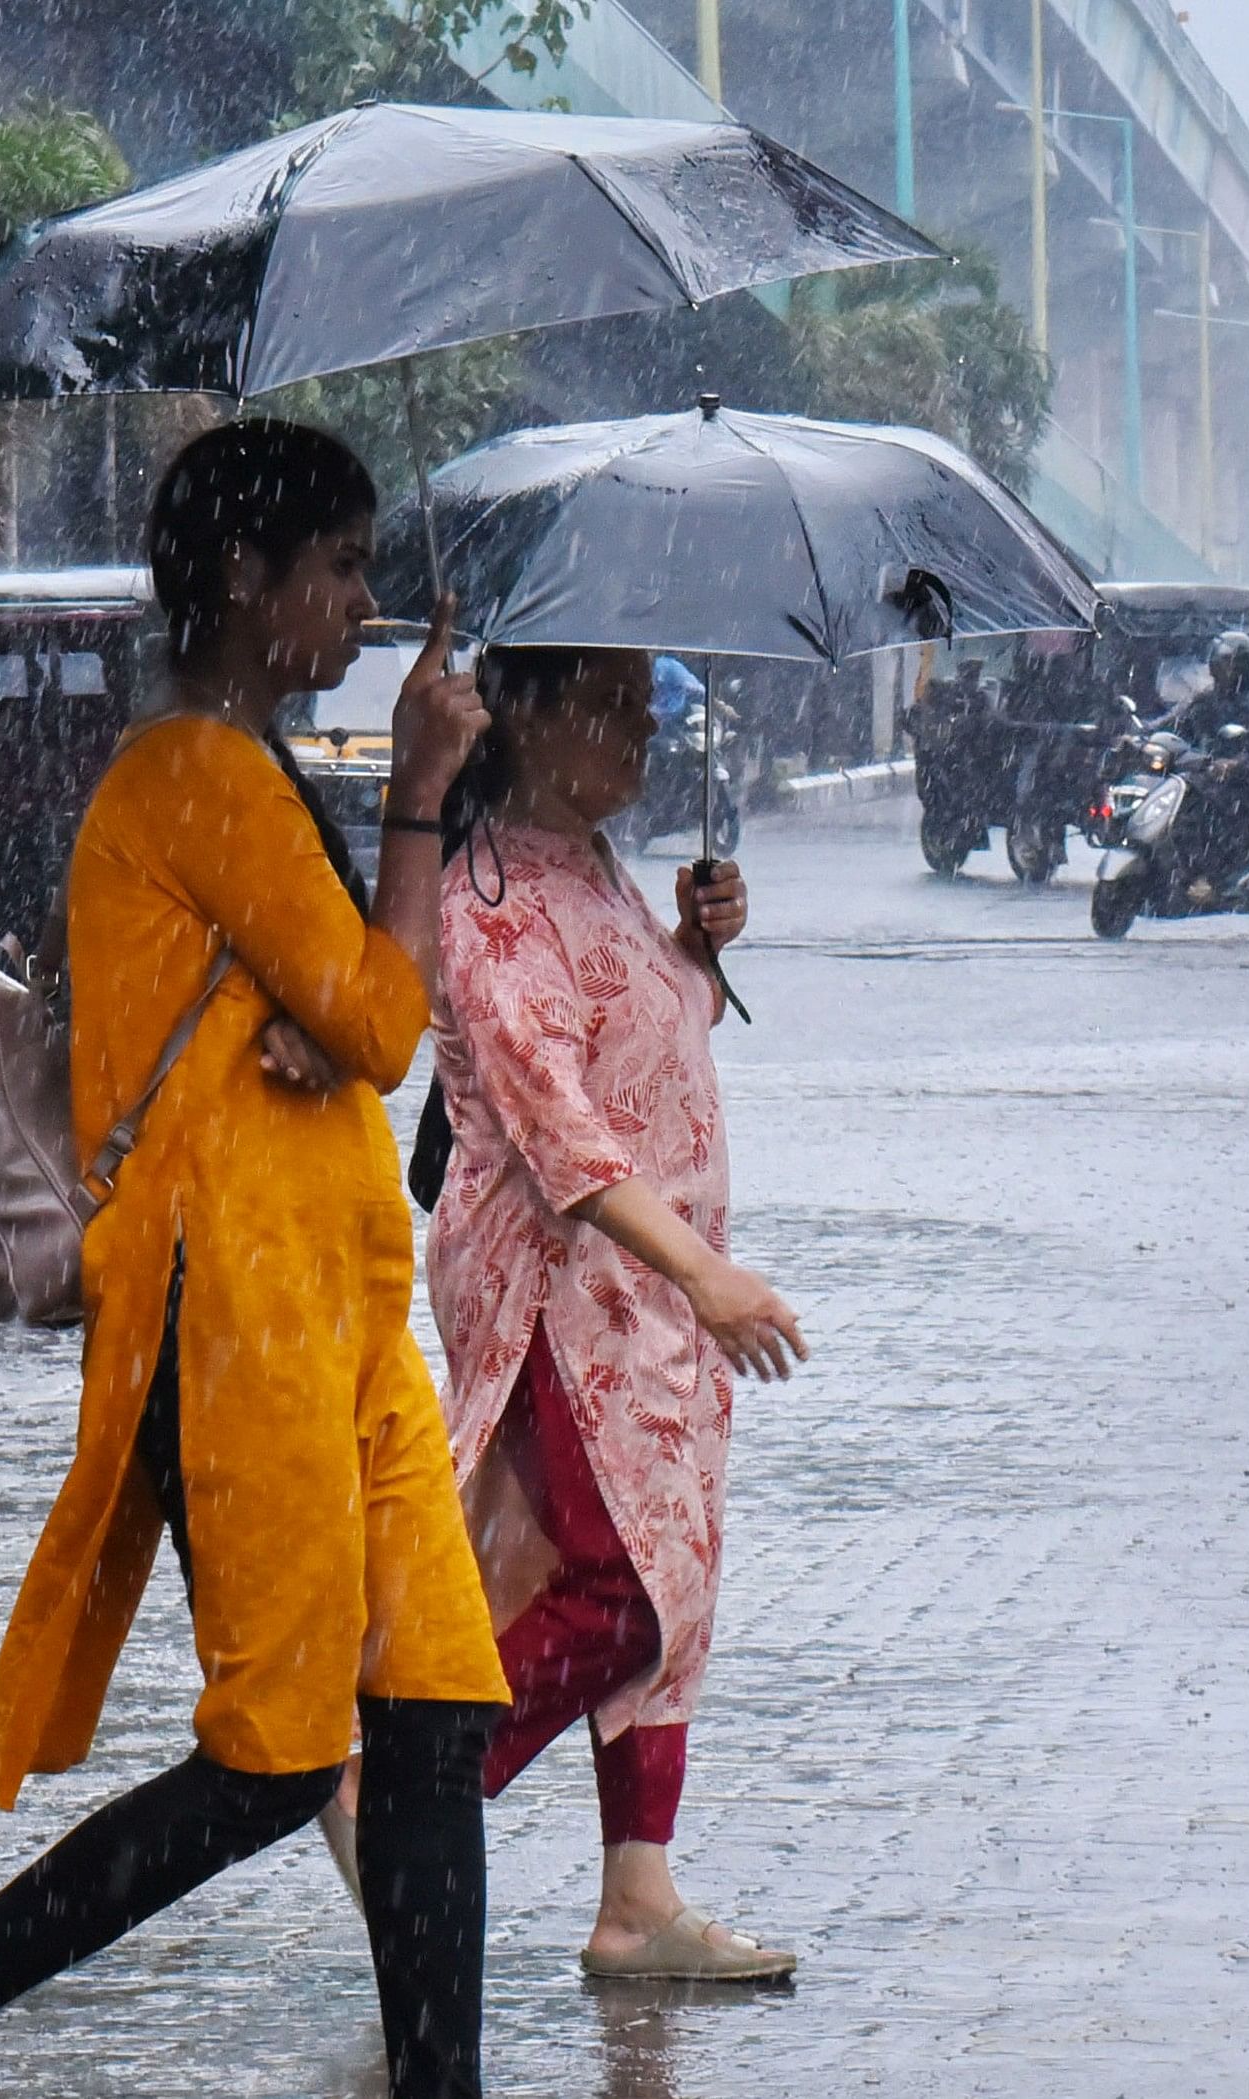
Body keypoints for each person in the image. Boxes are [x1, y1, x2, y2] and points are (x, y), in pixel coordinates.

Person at [0, 421, 507, 2099]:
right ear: (247, 581)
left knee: (432, 1707)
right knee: (274, 1755)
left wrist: (326, 1003)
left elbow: (341, 1009)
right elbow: (386, 1020)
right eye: (336, 566)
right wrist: (413, 788)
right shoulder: (193, 771)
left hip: (338, 1323)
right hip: (236, 1322)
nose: (359, 604)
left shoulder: (232, 767)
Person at [425, 645, 810, 1983]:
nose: (645, 732)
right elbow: (558, 1128)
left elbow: (653, 1032)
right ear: (527, 712)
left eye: (652, 707)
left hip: (652, 1287)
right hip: (568, 1283)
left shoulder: (586, 861)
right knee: (623, 1582)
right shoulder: (488, 892)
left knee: (676, 1571)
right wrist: (704, 1278)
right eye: (616, 706)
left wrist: (695, 950)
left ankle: (637, 1893)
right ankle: (407, 1778)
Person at [1166, 629, 1249, 889]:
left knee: (1201, 811)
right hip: (1209, 775)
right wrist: (1137, 735)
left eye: (1226, 662)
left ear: (1242, 665)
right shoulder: (1205, 699)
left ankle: (1208, 876)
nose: (1221, 668)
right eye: (1219, 661)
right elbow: (1173, 722)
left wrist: (1239, 765)